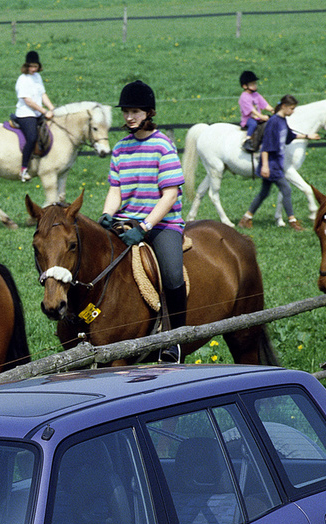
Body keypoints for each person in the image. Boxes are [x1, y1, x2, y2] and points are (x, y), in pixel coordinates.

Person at [99, 80, 188, 363]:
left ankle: (176, 339)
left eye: (135, 111)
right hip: (126, 221)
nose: (128, 117)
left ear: (149, 113)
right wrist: (107, 214)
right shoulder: (121, 148)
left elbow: (170, 194)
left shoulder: (163, 146)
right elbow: (117, 189)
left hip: (162, 224)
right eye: (125, 111)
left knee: (173, 274)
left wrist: (146, 227)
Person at [238, 95, 316, 231]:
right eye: (291, 108)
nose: (293, 111)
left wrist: (308, 136)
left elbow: (290, 136)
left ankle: (246, 218)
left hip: (277, 163)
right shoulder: (273, 122)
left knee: (264, 193)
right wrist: (266, 166)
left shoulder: (282, 120)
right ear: (284, 106)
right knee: (286, 189)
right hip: (271, 164)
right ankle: (293, 221)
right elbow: (266, 146)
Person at [13, 50, 55, 182]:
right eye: (30, 66)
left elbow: (43, 94)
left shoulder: (37, 77)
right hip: (26, 114)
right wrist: (44, 111)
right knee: (32, 138)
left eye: (35, 66)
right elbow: (28, 101)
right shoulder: (22, 80)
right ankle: (23, 169)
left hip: (37, 113)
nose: (33, 69)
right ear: (26, 66)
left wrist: (52, 108)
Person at [239, 70, 272, 150]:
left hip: (258, 118)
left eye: (255, 83)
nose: (255, 85)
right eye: (252, 84)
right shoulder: (244, 97)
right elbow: (252, 110)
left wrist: (273, 110)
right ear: (244, 86)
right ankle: (247, 139)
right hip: (248, 119)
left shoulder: (256, 95)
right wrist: (262, 117)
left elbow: (265, 104)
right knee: (253, 124)